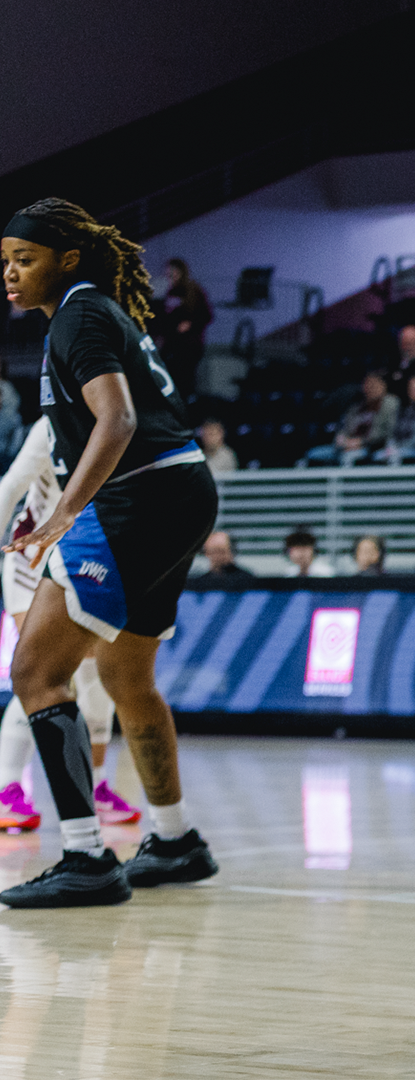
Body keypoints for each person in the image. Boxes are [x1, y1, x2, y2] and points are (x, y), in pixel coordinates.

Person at [0, 197, 220, 906]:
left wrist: (63, 512)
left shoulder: (80, 315)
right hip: (180, 490)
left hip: (138, 496)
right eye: (4, 261)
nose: (9, 273)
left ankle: (87, 857)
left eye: (24, 259)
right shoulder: (90, 313)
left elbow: (118, 418)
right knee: (128, 675)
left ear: (66, 260)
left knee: (35, 670)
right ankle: (176, 837)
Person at [0, 413, 138, 833]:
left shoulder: (133, 424)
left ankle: (95, 788)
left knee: (99, 673)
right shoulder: (51, 426)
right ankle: (6, 788)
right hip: (32, 561)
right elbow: (9, 489)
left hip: (89, 562)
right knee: (43, 668)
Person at [304, 371, 397, 466]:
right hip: (348, 445)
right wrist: (343, 440)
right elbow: (344, 427)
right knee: (312, 454)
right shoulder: (357, 405)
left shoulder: (390, 404)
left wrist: (361, 442)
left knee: (348, 456)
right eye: (366, 383)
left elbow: (385, 432)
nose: (369, 387)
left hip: (372, 447)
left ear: (382, 386)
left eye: (373, 383)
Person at [156, 257, 212, 400]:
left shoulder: (194, 291)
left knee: (185, 382)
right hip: (172, 346)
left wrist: (191, 324)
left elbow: (207, 315)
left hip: (189, 346)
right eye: (168, 274)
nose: (171, 277)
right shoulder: (169, 293)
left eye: (174, 273)